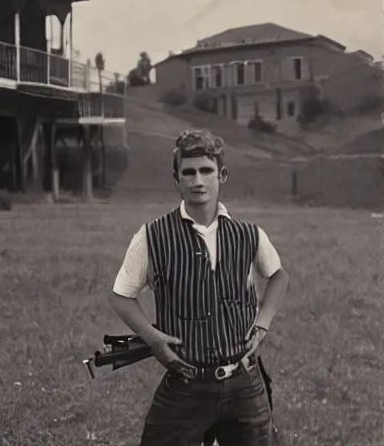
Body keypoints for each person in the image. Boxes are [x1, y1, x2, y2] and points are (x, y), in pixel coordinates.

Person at [109, 129, 289, 446]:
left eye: (206, 171)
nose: (197, 181)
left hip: (244, 381)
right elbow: (121, 295)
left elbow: (278, 277)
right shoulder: (152, 236)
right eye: (188, 172)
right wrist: (152, 339)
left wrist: (262, 323)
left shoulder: (248, 233)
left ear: (222, 175)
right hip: (185, 383)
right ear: (176, 177)